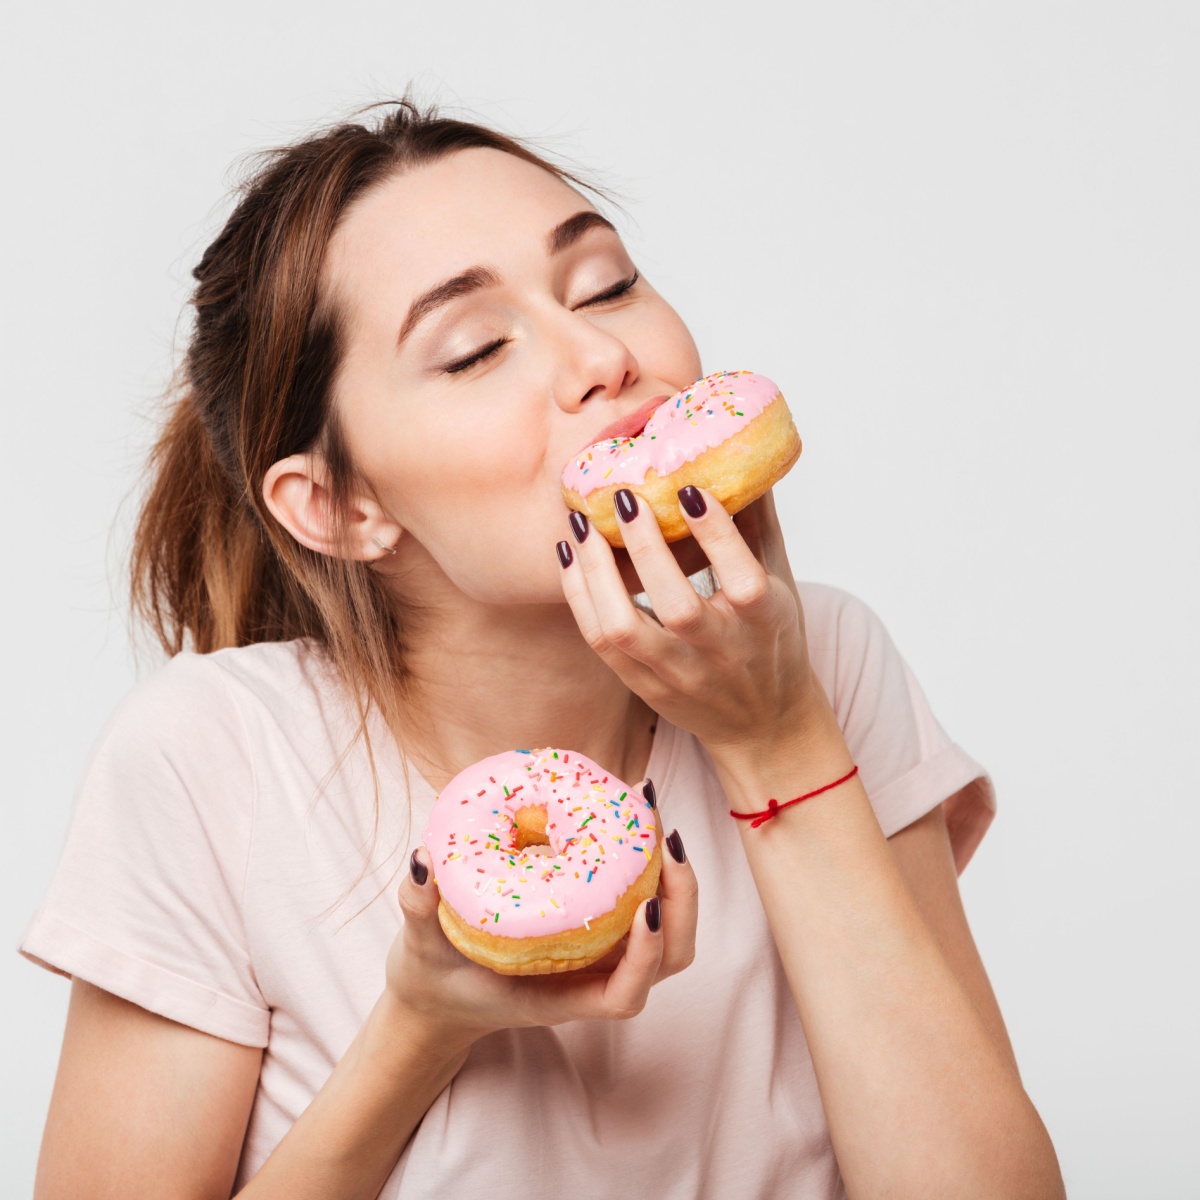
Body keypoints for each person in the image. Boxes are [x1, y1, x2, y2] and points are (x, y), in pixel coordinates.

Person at [20, 98, 1065, 1199]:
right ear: (338, 506)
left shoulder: (824, 660)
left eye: (607, 284)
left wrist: (779, 739)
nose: (604, 356)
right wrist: (421, 1027)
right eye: (474, 350)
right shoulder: (213, 760)